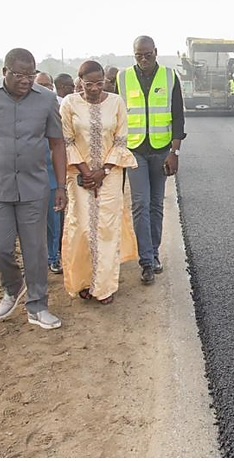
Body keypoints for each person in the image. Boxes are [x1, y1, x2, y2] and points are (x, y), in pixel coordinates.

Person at [0, 48, 67, 330]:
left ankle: (38, 305)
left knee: (35, 249)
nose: (26, 80)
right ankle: (13, 285)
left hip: (34, 186)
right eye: (19, 74)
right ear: (4, 72)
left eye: (30, 74)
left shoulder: (46, 100)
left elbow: (57, 144)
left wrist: (61, 185)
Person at [61, 61, 138, 304]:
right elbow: (66, 141)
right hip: (78, 175)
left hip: (110, 174)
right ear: (79, 81)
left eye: (99, 83)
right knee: (82, 227)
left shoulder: (116, 102)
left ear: (105, 80)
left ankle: (104, 287)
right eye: (88, 84)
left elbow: (121, 140)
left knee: (106, 229)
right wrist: (86, 171)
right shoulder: (69, 103)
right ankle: (83, 281)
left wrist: (103, 171)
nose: (94, 89)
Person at [117, 35, 186, 285]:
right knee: (140, 204)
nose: (144, 59)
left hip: (160, 150)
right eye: (139, 55)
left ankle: (154, 253)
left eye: (148, 54)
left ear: (155, 52)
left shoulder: (169, 77)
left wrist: (174, 152)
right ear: (133, 54)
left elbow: (178, 117)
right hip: (134, 150)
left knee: (156, 204)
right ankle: (146, 261)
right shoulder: (122, 78)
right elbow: (117, 115)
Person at [36, 72, 64, 274]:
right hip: (31, 176)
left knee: (54, 220)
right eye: (41, 85)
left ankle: (54, 257)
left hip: (53, 174)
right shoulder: (26, 109)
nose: (46, 88)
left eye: (49, 85)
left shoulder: (59, 107)